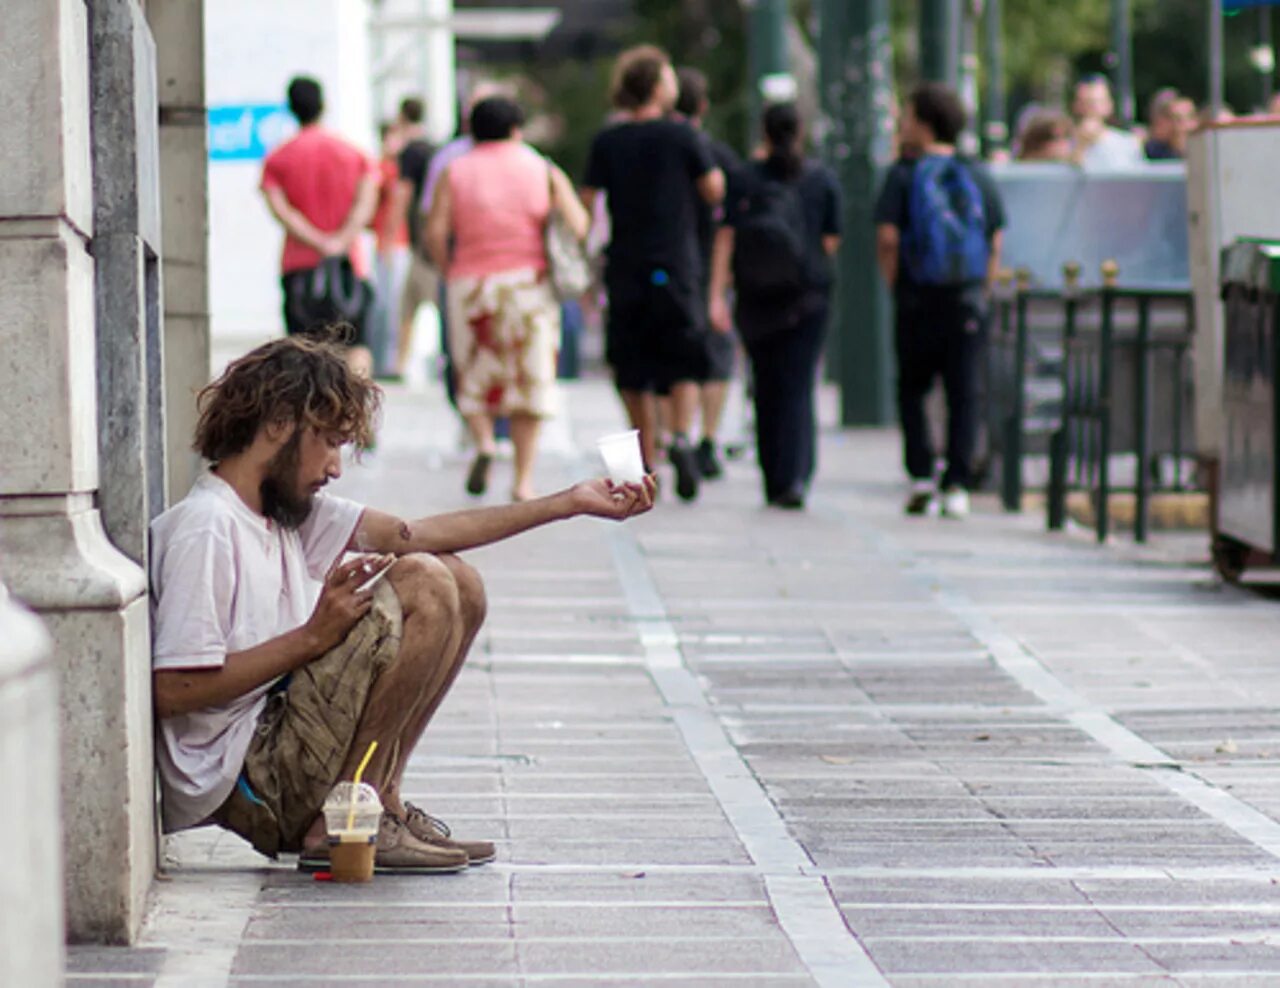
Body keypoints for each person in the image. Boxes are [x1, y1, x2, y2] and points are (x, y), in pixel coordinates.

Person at [150, 335, 655, 874]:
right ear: (278, 425)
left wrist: (567, 503)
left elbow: (421, 533)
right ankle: (343, 822)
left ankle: (377, 802)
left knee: (460, 581)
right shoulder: (206, 526)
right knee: (425, 584)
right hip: (246, 775)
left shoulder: (287, 514)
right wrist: (311, 638)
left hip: (281, 743)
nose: (336, 468)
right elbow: (173, 689)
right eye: (328, 442)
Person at [426, 97, 590, 502]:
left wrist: (451, 269)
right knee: (530, 379)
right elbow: (580, 225)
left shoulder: (455, 170)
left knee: (474, 372)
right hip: (528, 284)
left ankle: (483, 442)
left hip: (471, 282)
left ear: (473, 131)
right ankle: (523, 479)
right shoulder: (542, 168)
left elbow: (434, 230)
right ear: (517, 129)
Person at [582, 45, 726, 502]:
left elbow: (587, 201)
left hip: (627, 262)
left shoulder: (609, 140)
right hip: (677, 262)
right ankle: (682, 433)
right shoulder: (684, 137)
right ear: (659, 86)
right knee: (682, 353)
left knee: (631, 362)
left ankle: (647, 454)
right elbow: (713, 189)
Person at [874, 82, 1006, 520]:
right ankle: (958, 485)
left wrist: (897, 285)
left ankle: (921, 476)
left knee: (913, 387)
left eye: (908, 116)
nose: (902, 124)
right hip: (966, 298)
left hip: (917, 297)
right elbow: (995, 239)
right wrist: (980, 289)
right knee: (963, 391)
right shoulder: (977, 174)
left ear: (925, 125)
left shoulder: (903, 174)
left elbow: (888, 237)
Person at [709, 103, 841, 510]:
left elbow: (727, 237)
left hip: (756, 297)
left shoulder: (745, 178)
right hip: (808, 296)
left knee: (765, 384)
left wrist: (716, 294)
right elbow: (831, 241)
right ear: (800, 131)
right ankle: (797, 476)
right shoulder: (821, 178)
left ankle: (774, 477)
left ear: (763, 133)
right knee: (798, 384)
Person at [261, 77, 379, 376]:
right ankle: (359, 415)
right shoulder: (353, 153)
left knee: (303, 350)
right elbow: (366, 203)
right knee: (357, 345)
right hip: (349, 264)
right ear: (323, 106)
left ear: (291, 108)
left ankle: (313, 416)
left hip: (300, 265)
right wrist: (341, 239)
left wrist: (316, 240)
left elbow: (281, 210)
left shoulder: (279, 157)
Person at [675, 66, 741, 482]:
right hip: (710, 266)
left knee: (671, 361)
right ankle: (706, 438)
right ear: (703, 106)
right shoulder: (716, 154)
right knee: (715, 358)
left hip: (670, 267)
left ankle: (672, 436)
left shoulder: (654, 148)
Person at [386, 98, 437, 380]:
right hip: (436, 242)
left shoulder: (410, 152)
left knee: (409, 304)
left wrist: (390, 234)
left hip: (420, 244)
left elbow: (402, 194)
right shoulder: (435, 148)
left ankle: (402, 362)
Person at [370, 121, 411, 378]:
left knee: (393, 305)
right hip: (386, 244)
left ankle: (391, 360)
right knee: (384, 306)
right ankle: (383, 360)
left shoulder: (396, 171)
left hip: (395, 244)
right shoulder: (383, 169)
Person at [1070, 76, 1143, 170]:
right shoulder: (1061, 143)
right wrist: (1081, 147)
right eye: (1083, 102)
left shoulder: (1128, 144)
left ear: (1109, 105)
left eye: (1094, 102)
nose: (1089, 109)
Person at [1144, 88, 1194, 160]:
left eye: (1189, 117)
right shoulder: (1151, 151)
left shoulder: (1206, 150)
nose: (1183, 125)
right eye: (1175, 118)